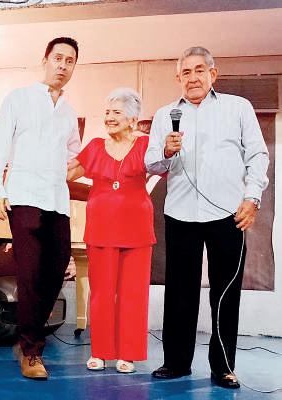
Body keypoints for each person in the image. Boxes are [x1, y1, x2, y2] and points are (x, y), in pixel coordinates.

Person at [145, 46, 269, 389]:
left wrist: (252, 197)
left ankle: (223, 367)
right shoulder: (165, 114)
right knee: (179, 292)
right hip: (181, 213)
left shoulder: (238, 108)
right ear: (178, 78)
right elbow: (151, 163)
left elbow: (258, 156)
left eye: (200, 70)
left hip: (229, 214)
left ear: (213, 74)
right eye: (186, 72)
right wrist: (166, 151)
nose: (193, 77)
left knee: (225, 292)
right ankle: (176, 362)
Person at [0, 37, 82, 380]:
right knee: (29, 274)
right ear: (45, 60)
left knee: (57, 270)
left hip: (57, 199)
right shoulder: (19, 98)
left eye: (69, 61)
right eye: (58, 58)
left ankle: (29, 337)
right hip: (23, 196)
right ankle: (31, 350)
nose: (62, 65)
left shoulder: (69, 113)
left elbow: (75, 157)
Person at [68, 88, 155, 374]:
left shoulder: (145, 145)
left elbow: (167, 164)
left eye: (117, 112)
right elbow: (68, 173)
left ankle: (128, 353)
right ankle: (101, 351)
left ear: (133, 119)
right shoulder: (94, 146)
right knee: (102, 292)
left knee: (133, 294)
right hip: (101, 227)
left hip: (137, 228)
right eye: (107, 112)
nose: (109, 117)